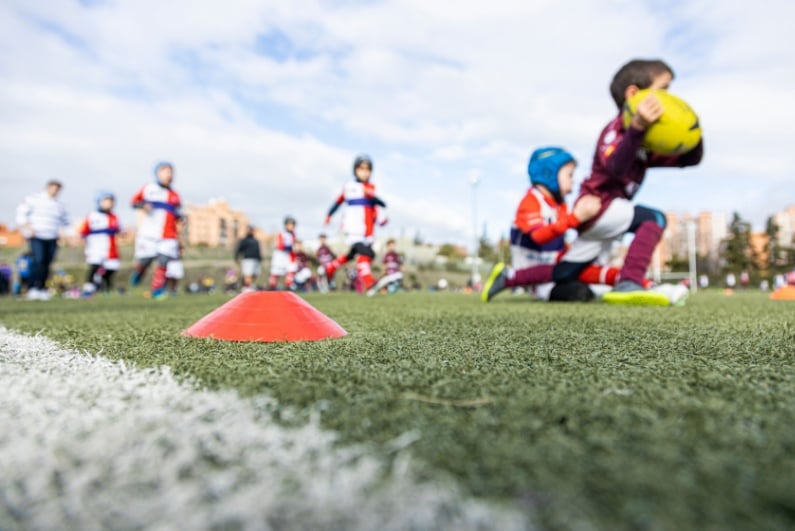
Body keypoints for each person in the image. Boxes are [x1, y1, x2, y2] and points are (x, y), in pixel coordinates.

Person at [555, 58, 703, 305]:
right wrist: (636, 127)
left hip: (613, 215)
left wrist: (691, 130)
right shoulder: (616, 130)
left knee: (566, 273)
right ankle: (630, 281)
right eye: (663, 90)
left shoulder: (645, 141)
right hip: (596, 208)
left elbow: (688, 159)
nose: (670, 99)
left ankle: (519, 279)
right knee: (653, 219)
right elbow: (616, 167)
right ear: (634, 94)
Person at [482, 147, 619, 302]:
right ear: (549, 173)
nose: (573, 180)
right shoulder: (531, 201)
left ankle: (623, 279)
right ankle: (509, 277)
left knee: (579, 270)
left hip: (556, 269)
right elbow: (539, 236)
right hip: (534, 277)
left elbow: (562, 240)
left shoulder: (560, 206)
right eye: (570, 175)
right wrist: (576, 217)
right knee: (578, 293)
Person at [319, 154, 387, 293]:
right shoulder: (349, 187)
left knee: (356, 255)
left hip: (368, 230)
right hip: (353, 228)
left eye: (367, 169)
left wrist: (380, 215)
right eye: (361, 169)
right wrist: (329, 215)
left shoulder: (371, 187)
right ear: (355, 170)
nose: (364, 172)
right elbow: (338, 202)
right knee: (366, 253)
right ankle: (368, 282)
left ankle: (331, 267)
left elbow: (377, 207)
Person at [130, 162, 183, 298]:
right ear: (157, 173)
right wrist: (143, 205)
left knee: (164, 261)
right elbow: (134, 202)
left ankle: (157, 289)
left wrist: (180, 218)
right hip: (149, 233)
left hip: (168, 234)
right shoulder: (148, 188)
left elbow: (176, 213)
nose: (168, 174)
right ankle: (140, 271)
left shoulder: (175, 195)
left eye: (170, 171)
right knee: (145, 260)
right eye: (165, 171)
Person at [15, 179, 70, 301]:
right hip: (37, 236)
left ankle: (42, 288)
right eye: (53, 188)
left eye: (57, 189)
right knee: (38, 261)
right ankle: (32, 288)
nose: (55, 191)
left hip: (52, 237)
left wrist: (64, 235)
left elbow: (64, 222)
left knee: (47, 263)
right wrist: (29, 229)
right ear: (48, 187)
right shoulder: (33, 199)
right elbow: (21, 215)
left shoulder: (59, 205)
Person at [77, 191, 122, 297]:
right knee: (94, 267)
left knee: (111, 268)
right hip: (95, 247)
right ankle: (88, 288)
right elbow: (83, 232)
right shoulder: (92, 216)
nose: (109, 204)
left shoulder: (114, 217)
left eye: (111, 201)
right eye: (106, 201)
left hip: (110, 248)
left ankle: (103, 286)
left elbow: (120, 230)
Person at [269, 215, 297, 290]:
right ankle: (272, 286)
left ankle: (288, 286)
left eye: (292, 224)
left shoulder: (293, 234)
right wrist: (290, 247)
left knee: (291, 269)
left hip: (288, 255)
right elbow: (280, 245)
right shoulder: (282, 234)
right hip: (279, 255)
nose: (291, 226)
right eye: (290, 224)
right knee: (276, 271)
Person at [234, 226, 262, 292]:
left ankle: (250, 285)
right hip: (247, 260)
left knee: (254, 274)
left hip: (256, 260)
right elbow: (238, 250)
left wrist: (260, 259)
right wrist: (236, 258)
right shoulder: (244, 241)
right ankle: (247, 287)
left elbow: (258, 251)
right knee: (247, 274)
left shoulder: (256, 241)